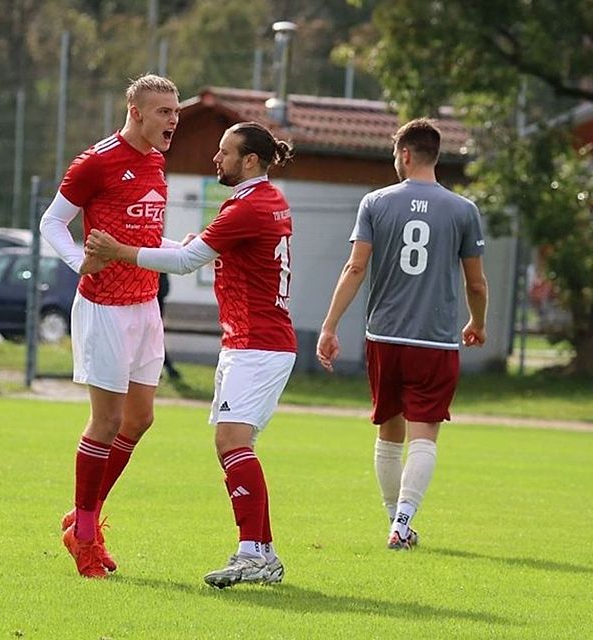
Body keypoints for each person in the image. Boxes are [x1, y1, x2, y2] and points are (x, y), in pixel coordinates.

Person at [86, 121, 296, 588]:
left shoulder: (247, 207)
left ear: (250, 162)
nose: (215, 159)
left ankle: (252, 552)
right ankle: (262, 553)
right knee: (236, 446)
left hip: (257, 344)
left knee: (232, 444)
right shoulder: (268, 201)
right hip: (255, 342)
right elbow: (190, 249)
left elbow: (184, 263)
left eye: (224, 153)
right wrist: (146, 242)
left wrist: (119, 249)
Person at [316, 117, 489, 550]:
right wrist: (478, 322)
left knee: (388, 432)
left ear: (405, 154)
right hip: (434, 340)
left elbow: (355, 267)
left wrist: (330, 325)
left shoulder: (375, 202)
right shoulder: (464, 210)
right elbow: (476, 283)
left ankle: (395, 520)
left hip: (384, 337)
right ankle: (403, 522)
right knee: (425, 433)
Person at [39, 74, 180, 578]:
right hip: (104, 308)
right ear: (137, 112)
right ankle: (84, 536)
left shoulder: (157, 163)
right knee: (105, 421)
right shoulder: (96, 161)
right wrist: (79, 260)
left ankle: (83, 517)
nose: (173, 120)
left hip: (145, 305)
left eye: (175, 110)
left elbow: (143, 227)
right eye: (164, 111)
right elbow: (51, 222)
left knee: (139, 420)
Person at [157, 272, 181, 380]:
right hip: (156, 290)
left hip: (156, 291)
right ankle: (165, 366)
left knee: (154, 334)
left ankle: (162, 366)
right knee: (154, 334)